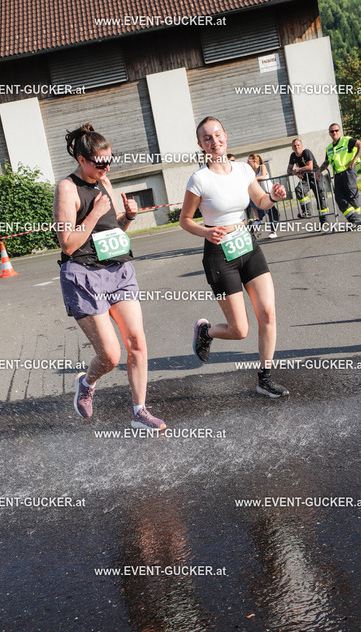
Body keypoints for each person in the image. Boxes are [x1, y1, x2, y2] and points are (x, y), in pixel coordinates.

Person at [53, 123, 166, 430]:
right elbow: (68, 244)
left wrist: (127, 216)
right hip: (84, 276)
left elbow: (113, 229)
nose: (106, 168)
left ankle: (140, 412)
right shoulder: (67, 188)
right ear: (82, 160)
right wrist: (93, 212)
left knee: (137, 342)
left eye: (109, 161)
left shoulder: (105, 181)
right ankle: (87, 383)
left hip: (118, 270)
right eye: (100, 163)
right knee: (111, 355)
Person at [180, 117, 289, 398]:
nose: (214, 141)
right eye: (207, 138)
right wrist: (206, 232)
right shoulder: (199, 179)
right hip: (219, 254)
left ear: (225, 136)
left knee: (268, 312)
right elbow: (185, 220)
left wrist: (273, 197)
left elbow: (261, 201)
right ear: (201, 145)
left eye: (218, 135)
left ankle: (265, 379)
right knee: (240, 330)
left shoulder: (243, 170)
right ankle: (206, 332)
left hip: (246, 244)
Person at [315, 124, 361, 225]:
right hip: (338, 175)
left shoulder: (347, 140)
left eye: (336, 130)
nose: (334, 133)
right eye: (332, 131)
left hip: (348, 171)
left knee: (351, 196)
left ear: (340, 131)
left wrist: (354, 160)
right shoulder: (329, 148)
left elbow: (360, 145)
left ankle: (358, 219)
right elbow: (327, 162)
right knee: (339, 198)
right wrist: (319, 171)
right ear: (329, 133)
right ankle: (355, 219)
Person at [287, 138, 329, 225]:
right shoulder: (293, 156)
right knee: (299, 189)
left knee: (321, 199)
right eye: (294, 146)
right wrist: (295, 173)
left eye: (298, 145)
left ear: (301, 146)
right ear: (292, 148)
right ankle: (307, 211)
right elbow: (289, 170)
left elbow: (310, 167)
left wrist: (298, 170)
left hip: (316, 176)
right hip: (306, 179)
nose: (296, 147)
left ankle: (324, 223)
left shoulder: (306, 152)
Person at [247, 153, 280, 239]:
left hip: (268, 192)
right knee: (266, 213)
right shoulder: (251, 171)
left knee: (271, 213)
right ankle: (254, 229)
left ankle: (271, 231)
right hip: (261, 194)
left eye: (249, 160)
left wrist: (251, 179)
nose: (247, 162)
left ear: (254, 160)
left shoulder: (262, 167)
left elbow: (262, 176)